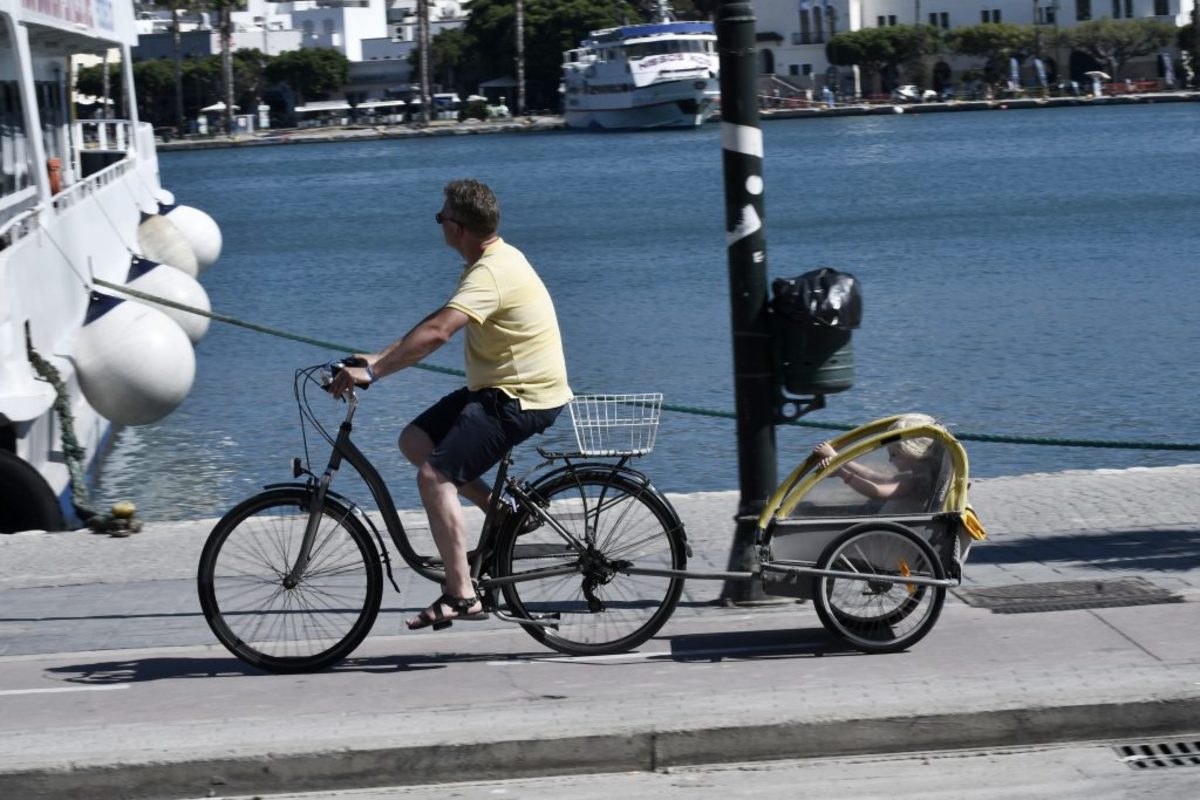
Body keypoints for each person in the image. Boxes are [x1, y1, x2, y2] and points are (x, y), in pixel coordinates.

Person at [330, 178, 572, 631]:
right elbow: (437, 320)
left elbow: (439, 334)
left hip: (521, 397)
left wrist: (376, 375)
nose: (438, 223)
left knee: (434, 476)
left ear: (457, 227)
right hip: (500, 387)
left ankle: (462, 595)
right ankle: (501, 511)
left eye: (441, 217)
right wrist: (375, 357)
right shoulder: (486, 262)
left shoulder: (491, 273)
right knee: (414, 441)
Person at [813, 413, 940, 513]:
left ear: (912, 453)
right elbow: (873, 476)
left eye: (894, 455)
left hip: (890, 537)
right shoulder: (913, 477)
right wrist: (838, 459)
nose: (890, 460)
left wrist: (842, 474)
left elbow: (877, 492)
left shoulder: (914, 482)